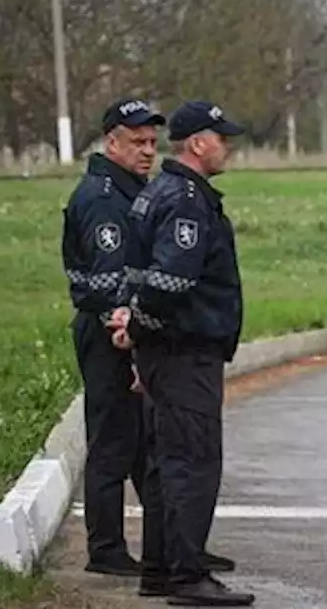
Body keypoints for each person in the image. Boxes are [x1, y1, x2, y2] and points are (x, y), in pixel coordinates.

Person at [109, 100, 251, 606]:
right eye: (221, 138)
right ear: (198, 143)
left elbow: (137, 276)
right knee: (192, 461)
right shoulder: (187, 200)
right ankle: (188, 576)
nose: (227, 146)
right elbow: (170, 282)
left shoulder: (159, 193)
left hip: (166, 352)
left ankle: (160, 571)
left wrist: (136, 330)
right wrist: (144, 329)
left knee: (166, 462)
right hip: (185, 352)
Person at [61, 98, 163, 576]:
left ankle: (168, 545)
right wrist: (127, 331)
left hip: (126, 328)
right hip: (110, 334)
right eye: (137, 142)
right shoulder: (104, 198)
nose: (147, 152)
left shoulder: (127, 190)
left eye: (152, 143)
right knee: (112, 442)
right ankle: (106, 550)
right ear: (111, 142)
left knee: (142, 441)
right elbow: (108, 283)